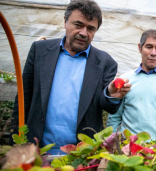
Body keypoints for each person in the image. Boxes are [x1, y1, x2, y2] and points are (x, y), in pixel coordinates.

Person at [9, 0, 131, 154]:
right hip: (36, 150)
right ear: (65, 21)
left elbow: (106, 105)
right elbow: (23, 98)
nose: (83, 33)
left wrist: (112, 94)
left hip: (81, 154)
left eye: (91, 28)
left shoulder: (105, 62)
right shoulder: (39, 51)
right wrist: (15, 143)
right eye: (78, 25)